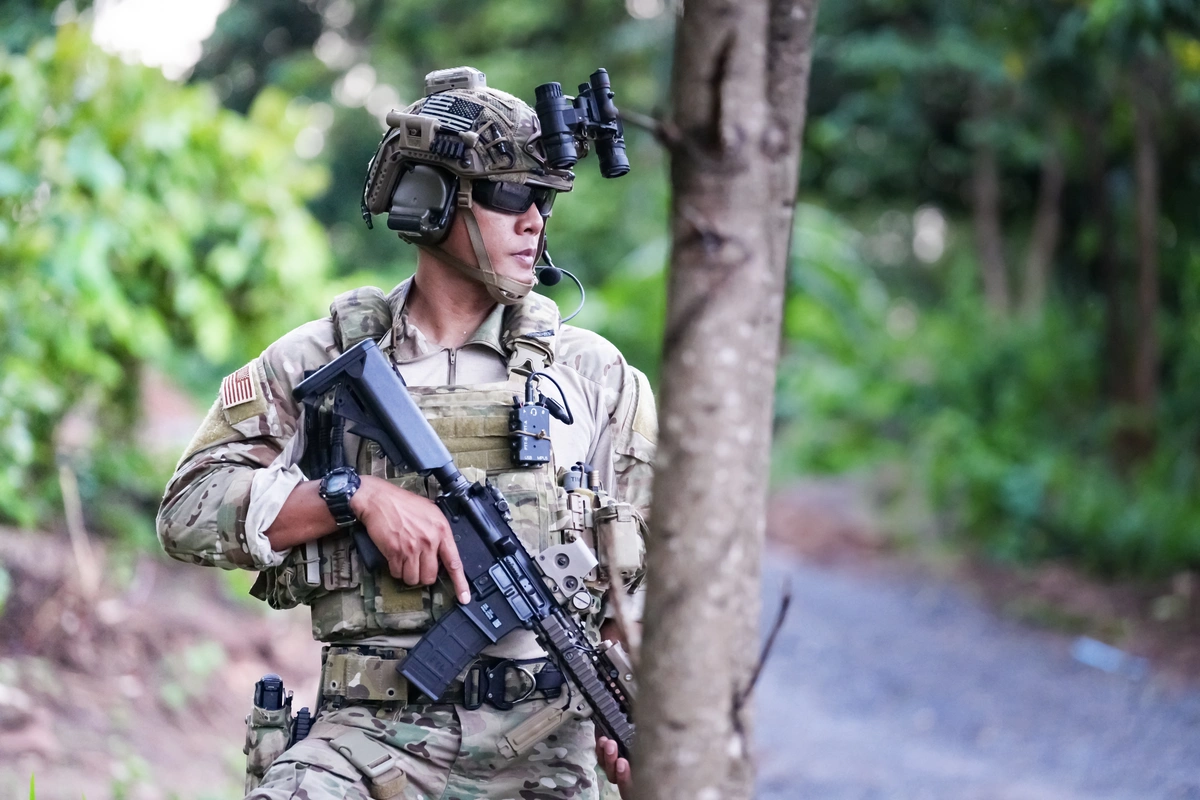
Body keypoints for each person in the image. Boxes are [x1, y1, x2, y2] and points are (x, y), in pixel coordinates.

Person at [156, 66, 652, 800]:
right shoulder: (320, 358)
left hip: (550, 747)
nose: (534, 221)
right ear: (431, 198)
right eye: (511, 194)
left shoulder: (594, 377)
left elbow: (654, 591)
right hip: (367, 738)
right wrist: (353, 496)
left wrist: (643, 722)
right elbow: (186, 512)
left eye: (544, 200)